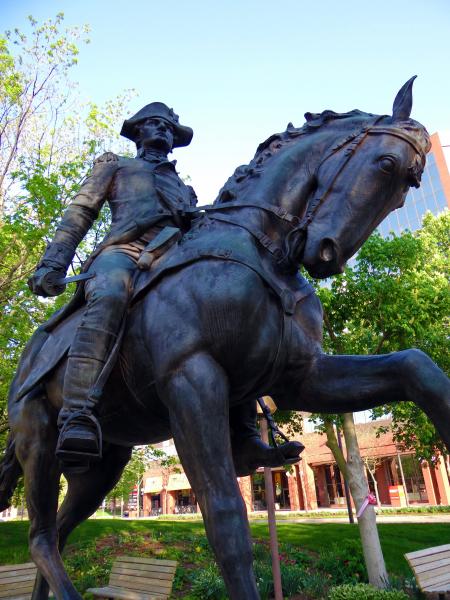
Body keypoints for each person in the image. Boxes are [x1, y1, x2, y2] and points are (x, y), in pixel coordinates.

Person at [28, 101, 302, 474]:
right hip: (124, 253)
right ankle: (77, 413)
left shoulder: (182, 188)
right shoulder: (116, 166)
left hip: (173, 257)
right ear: (138, 131)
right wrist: (54, 260)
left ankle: (243, 436)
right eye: (153, 124)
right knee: (109, 293)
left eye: (169, 127)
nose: (162, 130)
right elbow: (80, 212)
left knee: (231, 311)